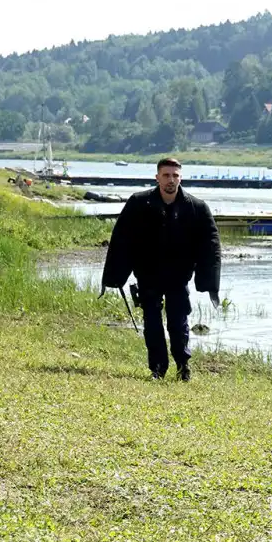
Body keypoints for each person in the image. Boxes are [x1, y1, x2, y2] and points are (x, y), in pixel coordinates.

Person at [101, 158, 221, 381]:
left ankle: (183, 365)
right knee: (153, 323)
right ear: (157, 177)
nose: (171, 180)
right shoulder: (139, 203)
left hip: (178, 276)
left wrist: (208, 280)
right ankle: (157, 368)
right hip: (148, 274)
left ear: (180, 178)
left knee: (178, 322)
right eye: (166, 175)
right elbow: (121, 238)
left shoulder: (196, 207)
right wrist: (115, 276)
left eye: (175, 175)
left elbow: (211, 243)